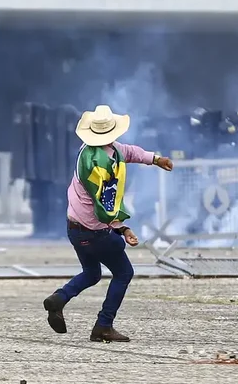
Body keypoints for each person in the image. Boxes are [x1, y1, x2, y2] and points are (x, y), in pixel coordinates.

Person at [42, 105, 174, 342]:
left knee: (92, 273)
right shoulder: (98, 167)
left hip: (75, 228)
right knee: (124, 272)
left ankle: (59, 299)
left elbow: (129, 152)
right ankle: (103, 325)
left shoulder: (95, 149)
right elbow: (105, 207)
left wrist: (154, 159)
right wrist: (123, 229)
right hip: (95, 231)